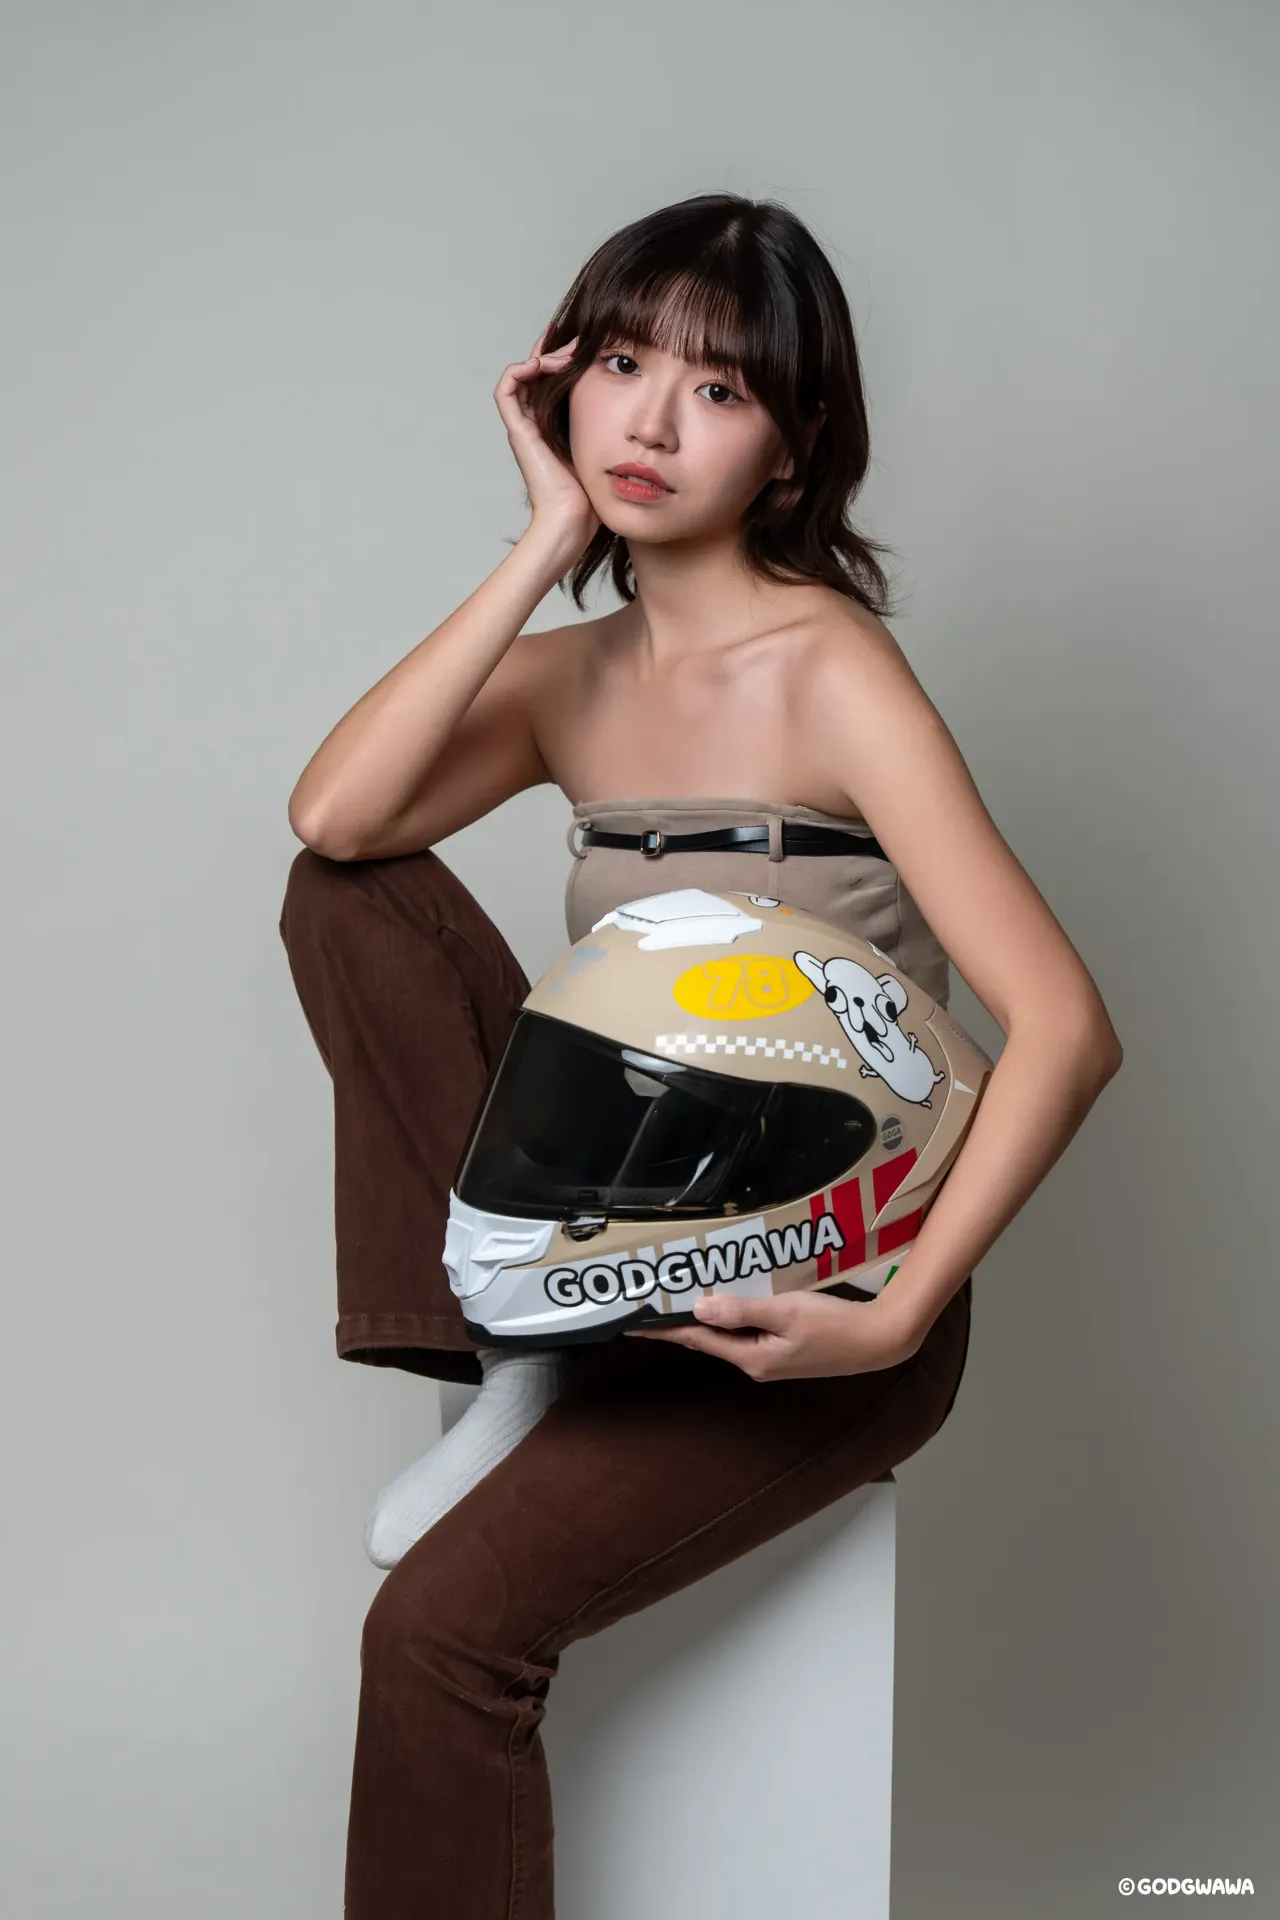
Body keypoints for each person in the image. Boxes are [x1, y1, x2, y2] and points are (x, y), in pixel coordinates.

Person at [279, 191, 1123, 1920]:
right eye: (621, 364)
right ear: (559, 388)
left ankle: (564, 1348)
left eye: (720, 390)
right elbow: (336, 818)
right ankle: (517, 1345)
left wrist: (892, 1320)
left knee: (437, 1636)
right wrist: (542, 539)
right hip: (627, 1242)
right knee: (347, 893)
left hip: (823, 1295)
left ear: (792, 449)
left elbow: (1064, 1027)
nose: (654, 422)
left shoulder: (832, 673)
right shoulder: (573, 679)